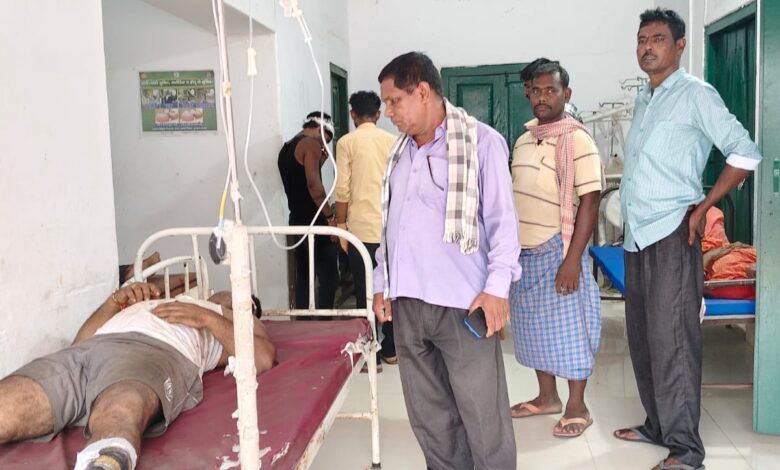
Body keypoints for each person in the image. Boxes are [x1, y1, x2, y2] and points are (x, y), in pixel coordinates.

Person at [614, 8, 762, 470]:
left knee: (673, 340)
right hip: (637, 236)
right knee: (642, 337)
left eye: (658, 38)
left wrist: (704, 206)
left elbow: (745, 152)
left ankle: (685, 450)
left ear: (680, 46)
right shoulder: (645, 97)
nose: (647, 47)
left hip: (673, 232)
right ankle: (657, 426)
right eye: (642, 39)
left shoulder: (696, 94)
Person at [372, 51, 521, 470]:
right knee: (430, 416)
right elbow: (391, 227)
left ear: (422, 92)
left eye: (394, 101)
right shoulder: (399, 154)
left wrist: (497, 289)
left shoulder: (482, 143)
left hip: (463, 303)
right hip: (408, 305)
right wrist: (381, 282)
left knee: (483, 415)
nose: (388, 113)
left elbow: (503, 225)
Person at [0, 282, 275, 470]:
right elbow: (79, 342)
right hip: (88, 350)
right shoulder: (171, 301)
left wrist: (209, 317)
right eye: (225, 294)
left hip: (154, 352)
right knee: (9, 404)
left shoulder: (229, 320)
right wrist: (114, 303)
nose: (227, 296)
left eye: (237, 300)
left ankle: (104, 461)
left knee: (120, 409)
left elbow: (262, 357)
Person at [508, 62, 602, 438]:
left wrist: (572, 259)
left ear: (567, 94)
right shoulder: (524, 139)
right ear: (527, 93)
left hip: (557, 250)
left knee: (570, 331)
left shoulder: (578, 140)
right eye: (536, 90)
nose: (542, 97)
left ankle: (578, 406)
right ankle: (547, 397)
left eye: (551, 90)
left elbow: (591, 201)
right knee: (533, 329)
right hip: (523, 252)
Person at [335, 90, 398, 365]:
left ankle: (370, 351)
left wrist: (340, 224)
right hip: (389, 227)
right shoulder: (393, 141)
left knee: (365, 290)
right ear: (378, 114)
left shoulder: (346, 143)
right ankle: (392, 349)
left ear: (353, 115)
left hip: (360, 230)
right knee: (391, 289)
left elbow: (342, 188)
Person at [278, 112, 339, 311]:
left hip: (296, 219)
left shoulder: (287, 147)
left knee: (304, 275)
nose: (324, 147)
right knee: (328, 275)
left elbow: (297, 183)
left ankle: (303, 319)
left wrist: (319, 162)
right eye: (325, 141)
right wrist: (330, 217)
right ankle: (324, 321)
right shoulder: (310, 144)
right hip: (315, 221)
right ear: (320, 130)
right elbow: (314, 185)